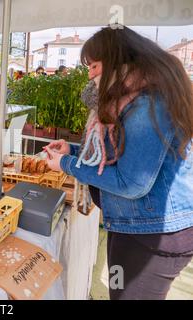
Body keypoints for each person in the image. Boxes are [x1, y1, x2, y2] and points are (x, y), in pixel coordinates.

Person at [44, 26, 193, 300]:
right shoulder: (135, 98)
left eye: (94, 66)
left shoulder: (147, 104)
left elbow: (131, 182)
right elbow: (120, 153)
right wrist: (74, 151)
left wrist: (67, 163)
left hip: (150, 232)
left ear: (117, 60)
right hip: (137, 226)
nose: (89, 75)